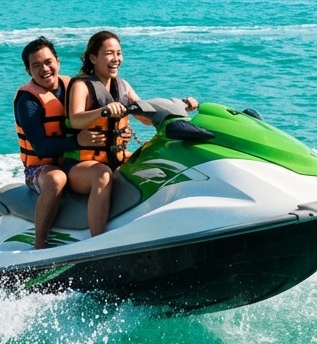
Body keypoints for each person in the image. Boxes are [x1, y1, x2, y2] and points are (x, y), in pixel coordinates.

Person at [64, 31, 197, 236]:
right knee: (102, 175)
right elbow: (75, 119)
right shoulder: (81, 85)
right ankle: (97, 241)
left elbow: (144, 116)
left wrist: (179, 107)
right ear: (93, 58)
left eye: (119, 53)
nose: (116, 59)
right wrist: (102, 111)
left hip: (115, 158)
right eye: (109, 53)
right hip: (80, 167)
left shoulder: (123, 86)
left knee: (156, 166)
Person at [14, 36, 103, 249]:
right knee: (56, 179)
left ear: (57, 61)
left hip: (73, 161)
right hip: (40, 168)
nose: (44, 69)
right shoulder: (27, 101)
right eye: (36, 66)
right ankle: (40, 244)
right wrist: (78, 142)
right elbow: (41, 146)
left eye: (48, 62)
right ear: (28, 71)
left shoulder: (74, 87)